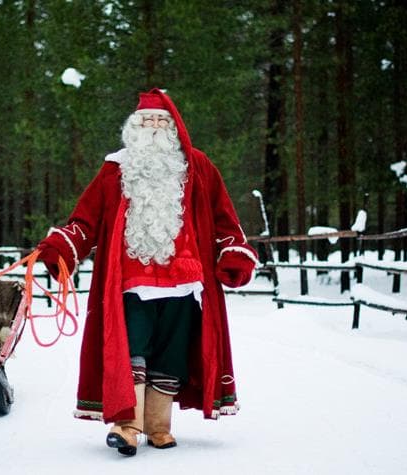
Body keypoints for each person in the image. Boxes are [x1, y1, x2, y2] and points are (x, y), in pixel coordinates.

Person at [36, 88, 257, 456]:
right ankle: (127, 426)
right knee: (132, 351)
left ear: (174, 128)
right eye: (147, 121)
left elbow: (224, 218)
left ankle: (159, 427)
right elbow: (85, 219)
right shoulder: (115, 169)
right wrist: (63, 245)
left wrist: (234, 252)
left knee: (170, 356)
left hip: (185, 284)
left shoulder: (197, 166)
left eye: (161, 121)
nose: (154, 127)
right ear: (133, 127)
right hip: (131, 283)